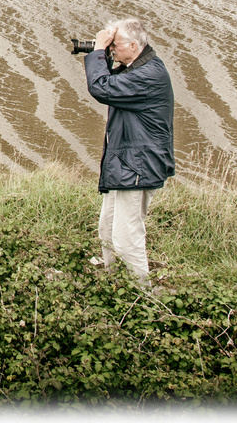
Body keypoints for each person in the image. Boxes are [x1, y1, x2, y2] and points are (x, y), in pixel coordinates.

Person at [84, 17, 174, 280]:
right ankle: (115, 282)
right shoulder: (138, 66)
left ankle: (139, 295)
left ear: (134, 46)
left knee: (127, 235)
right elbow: (112, 82)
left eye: (116, 45)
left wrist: (98, 51)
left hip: (137, 165)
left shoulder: (148, 75)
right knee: (108, 228)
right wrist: (106, 54)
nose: (112, 49)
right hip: (127, 162)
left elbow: (102, 88)